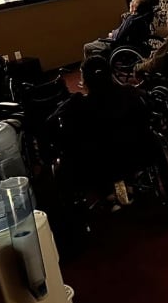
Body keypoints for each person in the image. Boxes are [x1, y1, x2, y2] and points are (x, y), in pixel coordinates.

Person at [52, 56, 154, 210]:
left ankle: (108, 193)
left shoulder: (76, 106)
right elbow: (147, 115)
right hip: (135, 155)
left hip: (96, 165)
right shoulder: (130, 93)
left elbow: (60, 132)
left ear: (85, 80)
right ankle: (128, 184)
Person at [82, 0, 153, 62]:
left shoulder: (131, 19)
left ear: (134, 7)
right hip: (135, 44)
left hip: (117, 44)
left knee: (87, 47)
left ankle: (88, 69)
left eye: (131, 2)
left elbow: (118, 37)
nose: (130, 3)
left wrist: (112, 34)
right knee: (97, 47)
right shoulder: (143, 18)